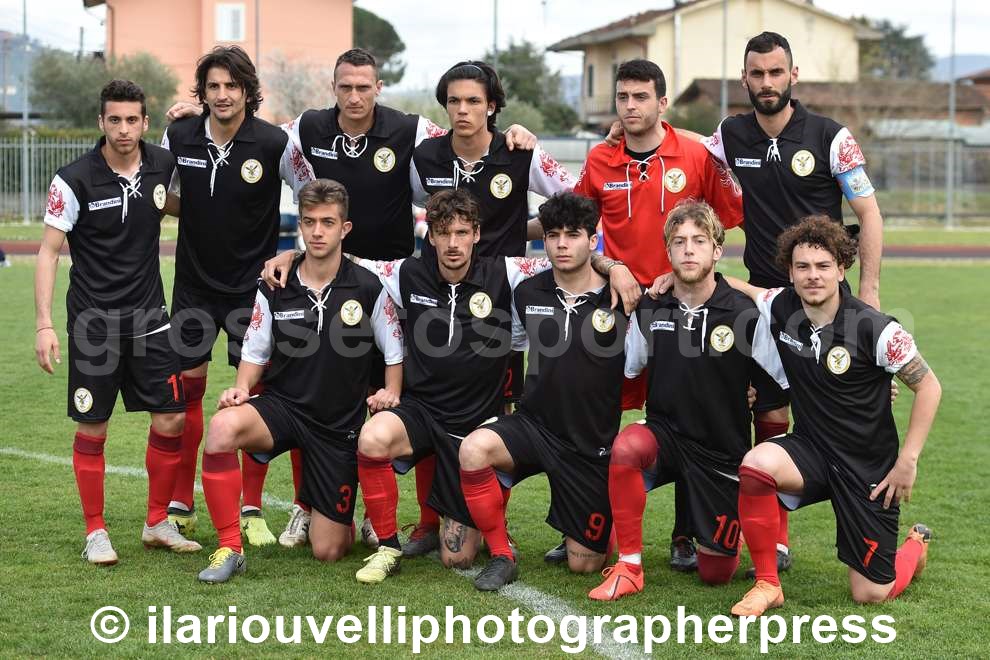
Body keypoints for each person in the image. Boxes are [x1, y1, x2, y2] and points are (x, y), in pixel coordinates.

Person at [213, 49, 538, 551]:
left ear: (379, 88)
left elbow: (475, 136)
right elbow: (258, 136)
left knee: (417, 400)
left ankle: (422, 518)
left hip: (401, 290)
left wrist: (514, 136)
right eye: (345, 86)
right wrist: (200, 120)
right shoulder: (307, 128)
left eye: (364, 86)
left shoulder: (413, 132)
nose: (354, 95)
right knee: (317, 391)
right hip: (337, 277)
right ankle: (308, 505)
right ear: (334, 87)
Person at [698, 32, 888, 571]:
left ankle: (873, 517)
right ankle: (774, 538)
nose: (767, 83)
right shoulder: (731, 134)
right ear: (745, 79)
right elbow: (689, 146)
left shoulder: (832, 137)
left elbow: (869, 213)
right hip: (764, 300)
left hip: (826, 298)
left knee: (843, 411)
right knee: (767, 407)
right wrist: (633, 127)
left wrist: (868, 294)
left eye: (775, 72)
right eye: (757, 74)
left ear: (793, 75)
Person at [557, 58, 745, 570]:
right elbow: (578, 233)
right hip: (615, 307)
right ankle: (588, 523)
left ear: (663, 102)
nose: (630, 106)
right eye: (623, 97)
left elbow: (727, 219)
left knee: (685, 416)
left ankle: (686, 534)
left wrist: (687, 276)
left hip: (678, 308)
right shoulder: (600, 159)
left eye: (641, 97)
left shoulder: (695, 154)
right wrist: (612, 266)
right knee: (598, 419)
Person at [721, 216, 939, 616]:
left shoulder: (875, 328)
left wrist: (907, 461)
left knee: (871, 593)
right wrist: (677, 277)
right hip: (812, 451)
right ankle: (768, 584)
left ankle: (913, 549)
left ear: (841, 269)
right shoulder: (782, 305)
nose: (813, 276)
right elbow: (743, 288)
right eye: (802, 267)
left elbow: (929, 386)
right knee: (756, 466)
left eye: (823, 266)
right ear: (790, 272)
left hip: (867, 468)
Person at [195, 179, 403, 583]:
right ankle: (230, 548)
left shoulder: (367, 286)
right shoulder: (275, 284)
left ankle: (328, 509)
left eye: (328, 222)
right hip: (284, 409)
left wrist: (391, 390)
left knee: (329, 550)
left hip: (337, 427)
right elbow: (255, 350)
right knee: (221, 427)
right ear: (301, 225)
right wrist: (241, 387)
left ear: (345, 228)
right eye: (309, 222)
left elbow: (393, 348)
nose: (317, 231)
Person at [35, 79, 201, 564]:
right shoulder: (73, 179)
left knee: (171, 418)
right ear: (101, 122)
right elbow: (48, 252)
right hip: (94, 326)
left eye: (132, 120)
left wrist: (201, 115)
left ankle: (156, 522)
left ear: (145, 122)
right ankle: (96, 531)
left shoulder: (162, 165)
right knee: (93, 428)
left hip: (150, 319)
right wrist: (44, 324)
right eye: (115, 120)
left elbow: (189, 189)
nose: (124, 129)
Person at [589, 201, 786, 601]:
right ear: (668, 251)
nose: (689, 250)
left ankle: (733, 531)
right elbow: (631, 368)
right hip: (666, 438)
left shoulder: (744, 313)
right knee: (627, 447)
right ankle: (629, 566)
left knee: (716, 574)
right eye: (679, 242)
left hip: (721, 452)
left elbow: (786, 379)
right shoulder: (651, 306)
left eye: (699, 240)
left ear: (717, 250)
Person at [161, 45, 307, 548]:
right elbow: (160, 191)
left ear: (248, 91)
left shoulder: (274, 142)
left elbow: (312, 194)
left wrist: (295, 252)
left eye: (232, 86)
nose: (222, 95)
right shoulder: (179, 135)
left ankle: (251, 507)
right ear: (202, 92)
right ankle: (180, 504)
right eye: (213, 86)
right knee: (186, 394)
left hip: (254, 290)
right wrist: (200, 208)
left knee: (255, 396)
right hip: (194, 286)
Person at [458, 192, 631, 590]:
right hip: (534, 426)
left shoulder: (621, 297)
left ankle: (591, 526)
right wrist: (502, 405)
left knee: (584, 565)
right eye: (553, 235)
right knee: (474, 449)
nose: (561, 244)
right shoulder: (527, 292)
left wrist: (617, 267)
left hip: (589, 443)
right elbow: (514, 350)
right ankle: (502, 555)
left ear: (593, 240)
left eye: (573, 234)